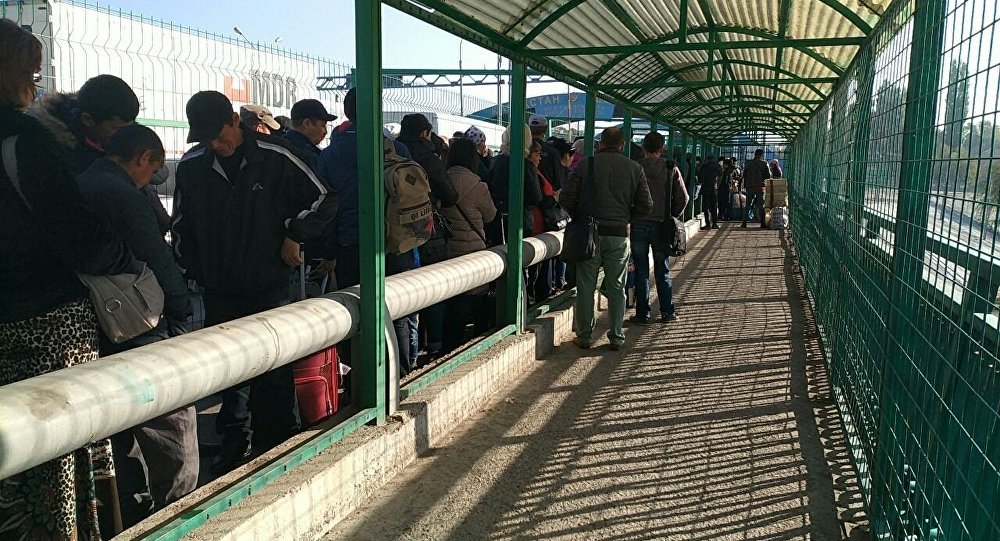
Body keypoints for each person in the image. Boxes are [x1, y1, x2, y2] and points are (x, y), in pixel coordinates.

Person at [0, 19, 135, 540]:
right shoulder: (23, 139)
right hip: (48, 321)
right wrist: (122, 256)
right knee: (62, 452)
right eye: (30, 73)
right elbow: (75, 234)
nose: (35, 85)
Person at [172, 90, 337, 473]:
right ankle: (235, 446)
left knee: (275, 369)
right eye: (208, 140)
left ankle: (279, 444)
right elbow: (181, 225)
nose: (217, 146)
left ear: (235, 121)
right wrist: (195, 268)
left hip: (270, 284)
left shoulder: (276, 155)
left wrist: (293, 234)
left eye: (220, 136)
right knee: (230, 372)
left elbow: (324, 198)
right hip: (219, 288)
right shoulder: (193, 167)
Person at [76, 124, 199, 527]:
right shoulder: (121, 193)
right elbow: (156, 256)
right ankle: (179, 517)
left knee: (118, 426)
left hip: (97, 322)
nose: (150, 179)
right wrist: (180, 310)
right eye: (152, 169)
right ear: (144, 158)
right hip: (138, 322)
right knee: (172, 421)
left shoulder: (81, 180)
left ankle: (128, 514)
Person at [316, 89, 417, 373]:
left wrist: (330, 251)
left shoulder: (329, 155)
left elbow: (326, 209)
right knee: (396, 311)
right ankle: (399, 375)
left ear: (347, 112)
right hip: (395, 242)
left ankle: (358, 380)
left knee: (353, 312)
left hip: (350, 243)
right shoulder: (397, 150)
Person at [29, 73, 172, 235]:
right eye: (117, 129)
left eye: (130, 127)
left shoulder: (117, 129)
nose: (125, 135)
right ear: (87, 120)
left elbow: (160, 175)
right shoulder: (55, 150)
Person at [562, 127, 652, 351]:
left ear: (600, 144)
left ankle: (584, 335)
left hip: (589, 234)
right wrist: (627, 218)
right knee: (617, 286)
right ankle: (616, 336)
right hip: (619, 234)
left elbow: (566, 197)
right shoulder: (635, 168)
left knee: (586, 285)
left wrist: (581, 216)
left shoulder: (586, 165)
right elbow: (646, 205)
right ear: (622, 145)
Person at [440, 138, 496, 353]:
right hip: (474, 251)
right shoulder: (478, 185)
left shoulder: (442, 180)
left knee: (454, 305)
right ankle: (478, 346)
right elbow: (490, 215)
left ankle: (448, 347)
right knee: (478, 303)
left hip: (448, 251)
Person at [629, 132, 688, 325]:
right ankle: (667, 312)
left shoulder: (635, 167)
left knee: (641, 270)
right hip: (662, 226)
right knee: (662, 269)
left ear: (643, 148)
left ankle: (642, 314)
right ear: (662, 149)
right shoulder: (670, 168)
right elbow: (684, 198)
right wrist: (672, 215)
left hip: (638, 224)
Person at [527, 114, 566, 190]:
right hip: (548, 194)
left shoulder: (522, 149)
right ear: (545, 129)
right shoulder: (553, 152)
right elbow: (558, 181)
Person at [742, 148, 771, 228]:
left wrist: (746, 185)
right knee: (760, 205)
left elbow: (744, 175)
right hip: (760, 187)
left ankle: (744, 223)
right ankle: (762, 223)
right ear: (761, 155)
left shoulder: (748, 163)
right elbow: (768, 176)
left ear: (755, 154)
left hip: (750, 187)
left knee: (748, 205)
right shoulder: (764, 163)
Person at [697, 154, 722, 230]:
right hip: (714, 188)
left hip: (705, 188)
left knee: (706, 207)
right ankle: (714, 223)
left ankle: (708, 224)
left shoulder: (704, 166)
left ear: (707, 159)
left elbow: (700, 179)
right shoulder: (717, 166)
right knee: (714, 206)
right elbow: (720, 175)